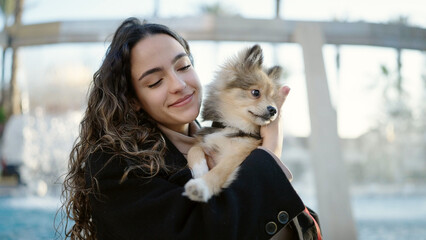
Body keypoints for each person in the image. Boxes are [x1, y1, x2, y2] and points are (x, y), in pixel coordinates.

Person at [60, 17, 321, 240]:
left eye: (184, 66)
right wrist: (269, 155)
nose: (178, 84)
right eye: (155, 82)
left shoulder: (225, 139)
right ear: (133, 100)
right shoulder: (114, 166)